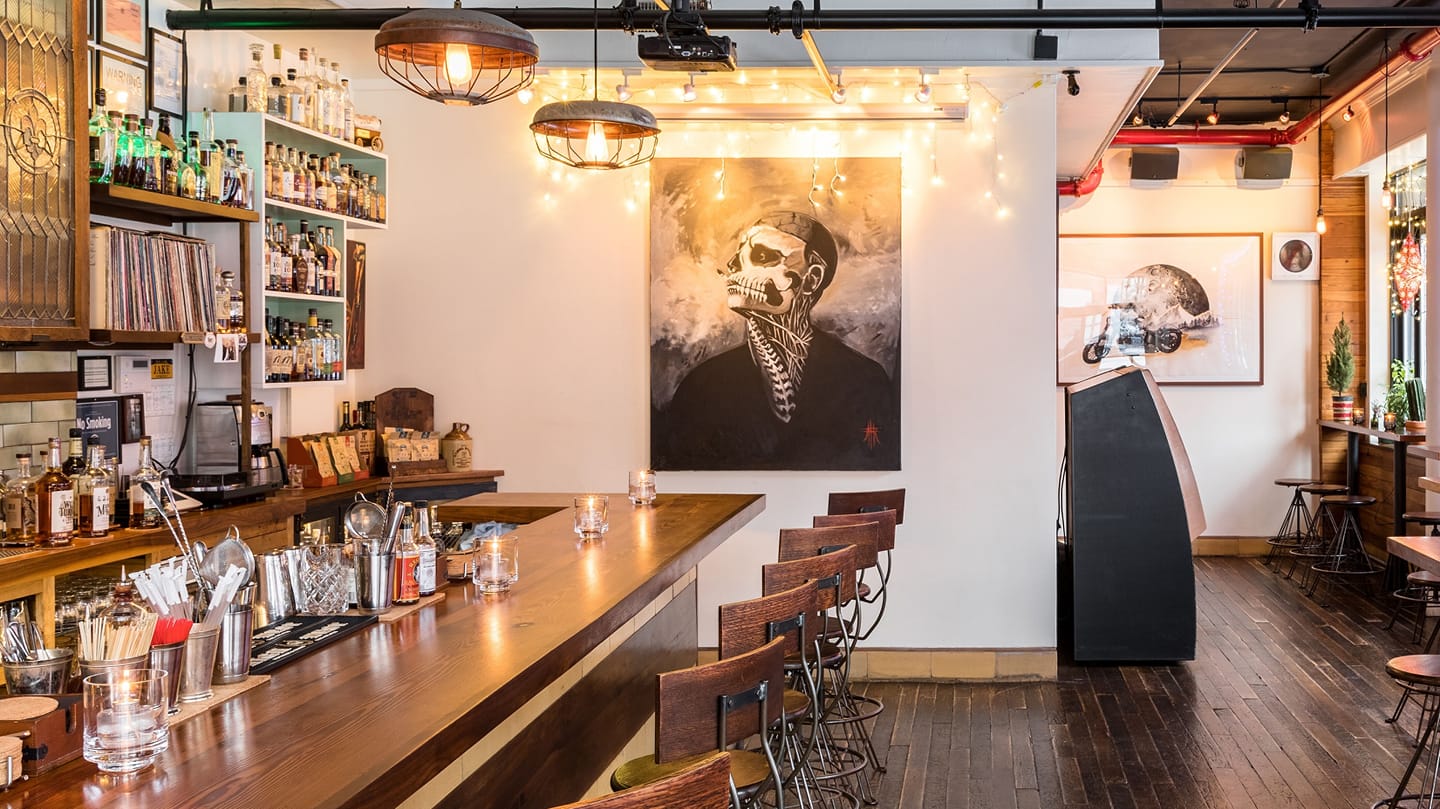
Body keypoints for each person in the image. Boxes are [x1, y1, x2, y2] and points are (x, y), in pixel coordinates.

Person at [653, 211, 900, 470]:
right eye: (738, 256)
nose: (733, 265)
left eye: (762, 257)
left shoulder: (863, 380)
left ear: (812, 279)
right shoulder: (702, 388)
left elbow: (871, 456)